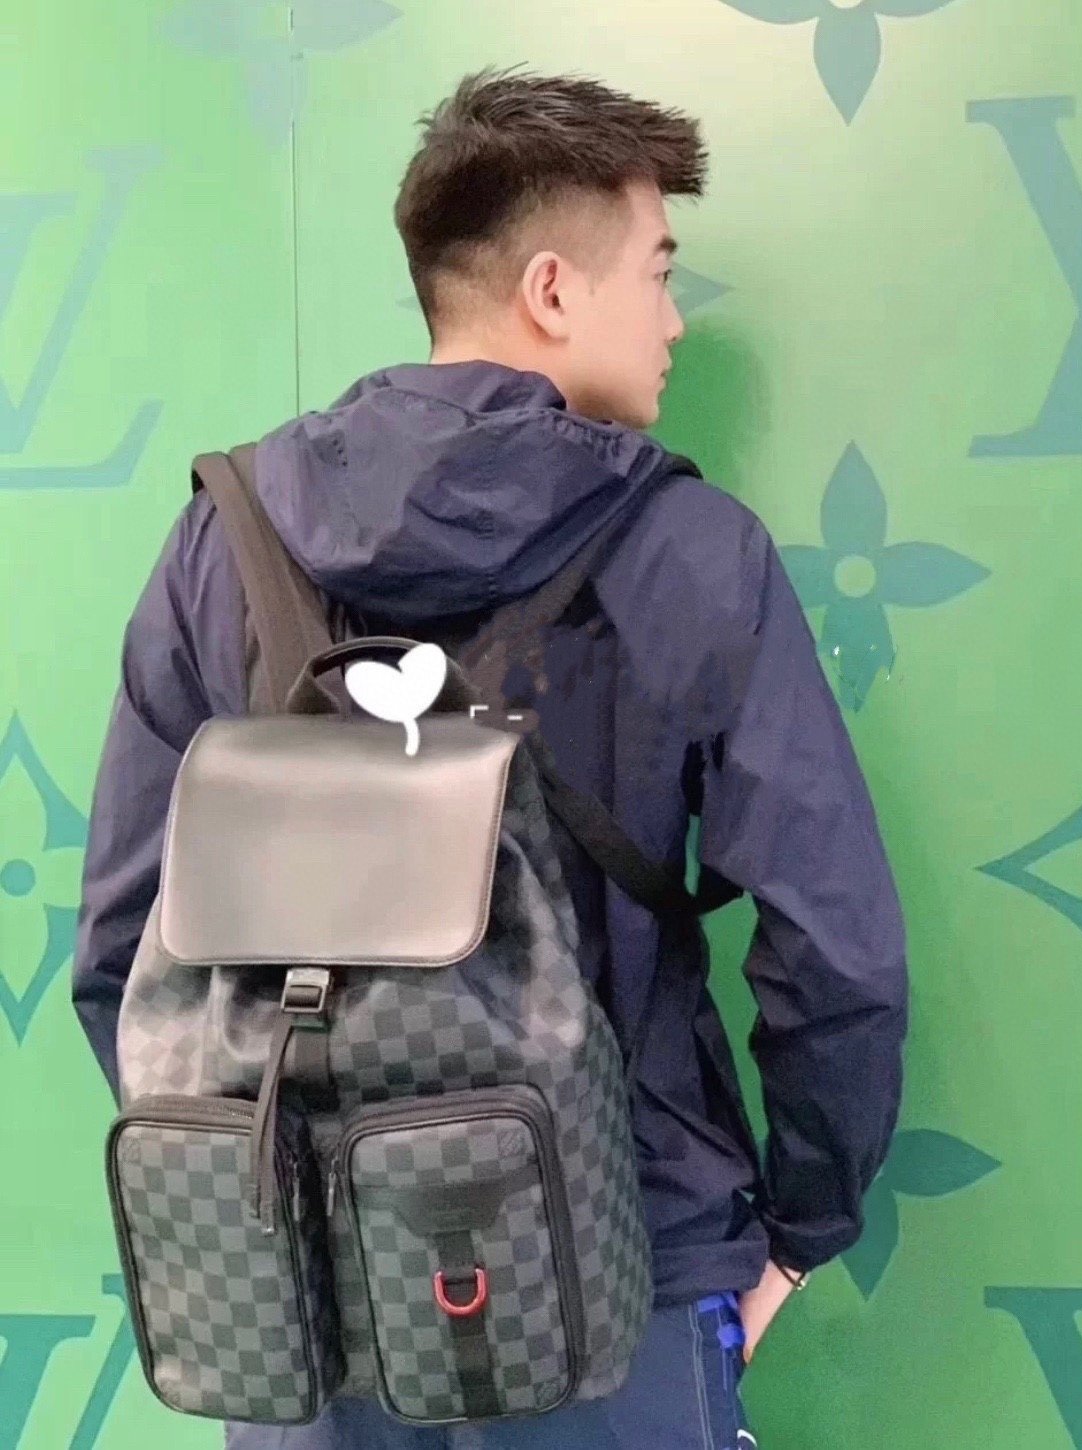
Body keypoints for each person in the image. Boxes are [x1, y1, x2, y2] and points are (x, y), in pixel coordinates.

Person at [72, 65, 907, 1449]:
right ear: (551, 290)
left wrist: (277, 1191)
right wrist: (799, 1233)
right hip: (622, 1277)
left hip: (311, 1300)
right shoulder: (695, 551)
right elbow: (838, 953)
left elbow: (121, 942)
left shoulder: (223, 541)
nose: (673, 319)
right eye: (657, 271)